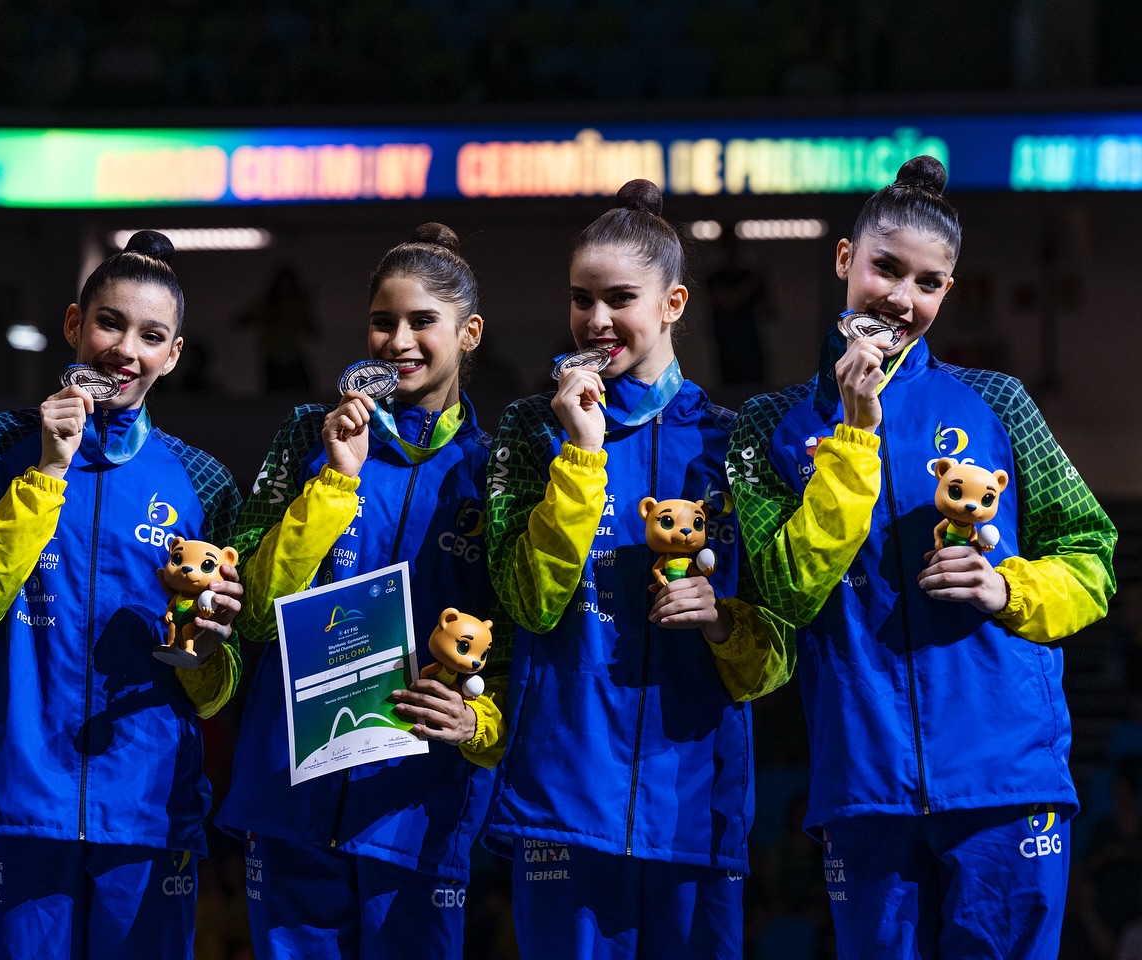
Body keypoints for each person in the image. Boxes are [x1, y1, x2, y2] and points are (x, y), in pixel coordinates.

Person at [728, 156, 1117, 959]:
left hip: (1005, 780)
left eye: (929, 284)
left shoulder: (999, 402)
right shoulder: (766, 428)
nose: (902, 300)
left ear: (949, 291)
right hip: (865, 783)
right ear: (844, 260)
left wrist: (1007, 586)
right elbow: (785, 590)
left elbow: (1094, 560)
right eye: (885, 269)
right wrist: (856, 435)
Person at [484, 180, 791, 959]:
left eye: (619, 298)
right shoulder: (530, 428)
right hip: (562, 795)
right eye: (580, 299)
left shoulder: (733, 441)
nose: (595, 321)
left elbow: (778, 653)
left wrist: (723, 620)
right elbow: (527, 602)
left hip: (695, 800)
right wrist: (582, 455)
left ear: (674, 303)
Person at [0, 230, 243, 958]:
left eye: (150, 335)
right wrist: (47, 471)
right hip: (19, 800)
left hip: (149, 809)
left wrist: (205, 650)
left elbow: (217, 692)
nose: (124, 350)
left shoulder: (204, 483)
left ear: (174, 354)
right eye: (109, 323)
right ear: (75, 324)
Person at [216, 223, 507, 960]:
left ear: (469, 333)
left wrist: (480, 727)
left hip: (415, 805)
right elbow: (254, 608)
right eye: (383, 321)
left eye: (422, 322)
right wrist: (336, 477)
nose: (398, 340)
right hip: (292, 793)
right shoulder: (303, 440)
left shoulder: (493, 471)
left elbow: (519, 636)